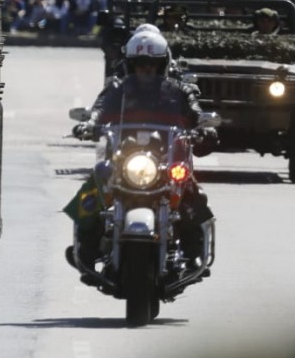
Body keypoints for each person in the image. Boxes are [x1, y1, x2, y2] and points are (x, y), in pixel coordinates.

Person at [68, 32, 214, 268]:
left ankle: (194, 249)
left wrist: (202, 127)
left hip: (164, 157)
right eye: (140, 65)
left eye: (152, 65)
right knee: (95, 185)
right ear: (129, 66)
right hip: (124, 155)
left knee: (190, 190)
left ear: (163, 64)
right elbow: (99, 110)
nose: (146, 70)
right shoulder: (117, 90)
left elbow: (195, 112)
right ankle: (86, 246)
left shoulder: (179, 91)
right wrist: (89, 125)